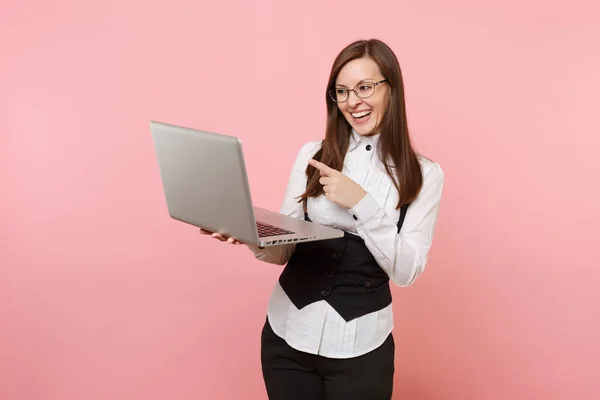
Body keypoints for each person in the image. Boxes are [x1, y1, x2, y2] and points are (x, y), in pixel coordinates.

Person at [200, 38, 444, 400]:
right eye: (341, 91)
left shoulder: (425, 174)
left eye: (365, 87)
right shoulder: (311, 154)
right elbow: (283, 249)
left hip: (361, 347)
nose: (352, 102)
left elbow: (406, 272)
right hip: (286, 335)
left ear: (391, 88)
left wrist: (362, 203)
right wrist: (249, 235)